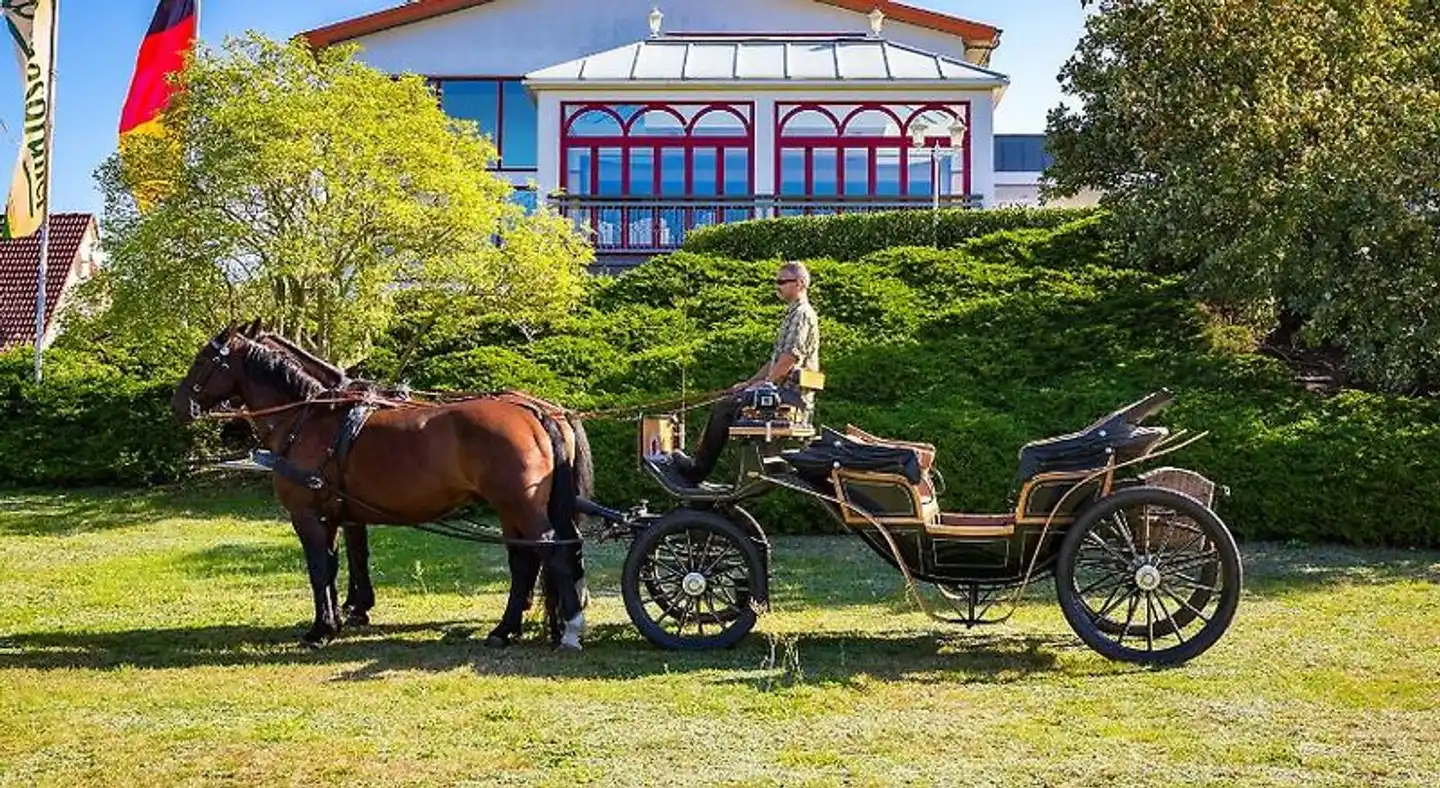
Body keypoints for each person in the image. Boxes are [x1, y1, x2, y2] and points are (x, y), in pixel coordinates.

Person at [669, 261, 821, 485]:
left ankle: (697, 471)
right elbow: (776, 362)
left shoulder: (802, 314)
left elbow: (790, 358)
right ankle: (699, 467)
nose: (777, 287)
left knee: (724, 407)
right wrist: (749, 383)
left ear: (799, 283)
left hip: (789, 397)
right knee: (730, 399)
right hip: (781, 393)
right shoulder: (794, 314)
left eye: (781, 281)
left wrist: (765, 385)